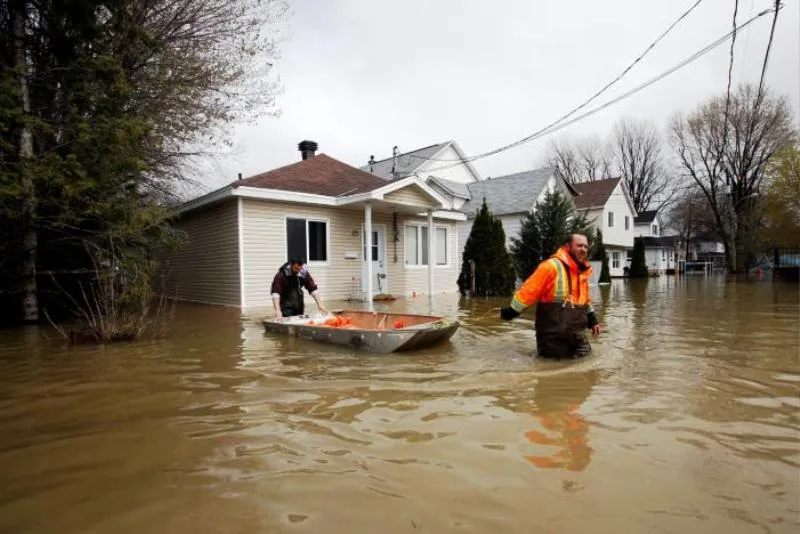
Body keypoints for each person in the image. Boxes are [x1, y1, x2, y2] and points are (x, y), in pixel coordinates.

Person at [499, 234, 600, 359]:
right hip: (553, 337)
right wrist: (513, 310)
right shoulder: (550, 266)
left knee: (587, 366)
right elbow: (530, 290)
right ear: (568, 246)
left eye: (586, 246)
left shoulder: (582, 272)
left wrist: (592, 318)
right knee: (552, 369)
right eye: (579, 245)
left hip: (577, 335)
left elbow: (585, 298)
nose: (583, 249)